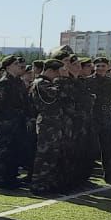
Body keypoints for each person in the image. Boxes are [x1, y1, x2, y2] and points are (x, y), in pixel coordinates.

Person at [29, 60, 76, 195]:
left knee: (53, 156)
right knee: (45, 155)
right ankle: (38, 184)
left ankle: (48, 184)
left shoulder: (50, 83)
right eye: (58, 72)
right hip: (47, 124)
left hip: (55, 123)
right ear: (51, 70)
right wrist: (63, 79)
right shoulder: (41, 83)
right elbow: (58, 94)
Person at [0, 55, 31, 188]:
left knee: (15, 151)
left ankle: (11, 177)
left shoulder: (18, 81)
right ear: (8, 66)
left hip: (17, 122)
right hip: (6, 123)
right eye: (15, 64)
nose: (18, 65)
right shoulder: (5, 82)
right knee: (4, 152)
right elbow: (1, 105)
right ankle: (1, 178)